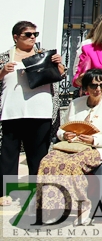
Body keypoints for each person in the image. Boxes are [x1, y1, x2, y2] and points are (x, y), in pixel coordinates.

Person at [38, 68, 102, 217]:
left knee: (71, 166)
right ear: (85, 87)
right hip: (70, 147)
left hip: (95, 149)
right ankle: (49, 206)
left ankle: (81, 206)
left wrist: (95, 139)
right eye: (93, 85)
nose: (98, 89)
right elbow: (61, 128)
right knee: (47, 162)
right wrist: (65, 135)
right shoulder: (75, 103)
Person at [0, 20, 64, 205]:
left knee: (38, 154)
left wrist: (59, 64)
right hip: (12, 111)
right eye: (28, 35)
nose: (33, 38)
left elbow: (59, 76)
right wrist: (3, 72)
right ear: (15, 37)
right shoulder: (5, 57)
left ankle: (40, 192)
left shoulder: (44, 55)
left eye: (35, 34)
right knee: (9, 154)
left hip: (40, 111)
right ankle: (5, 191)